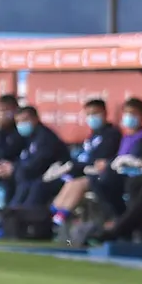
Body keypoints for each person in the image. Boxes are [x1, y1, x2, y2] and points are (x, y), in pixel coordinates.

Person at [49, 98, 126, 228]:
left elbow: (98, 159)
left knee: (79, 184)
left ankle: (59, 219)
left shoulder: (111, 134)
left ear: (104, 113)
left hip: (101, 176)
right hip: (84, 172)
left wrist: (79, 166)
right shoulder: (92, 136)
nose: (92, 117)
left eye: (95, 113)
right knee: (70, 183)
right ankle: (52, 215)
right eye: (89, 114)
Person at [8, 106, 70, 208]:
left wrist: (15, 168)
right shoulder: (28, 137)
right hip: (34, 175)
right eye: (18, 122)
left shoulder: (45, 137)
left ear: (36, 118)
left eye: (25, 120)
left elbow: (39, 163)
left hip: (55, 175)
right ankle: (10, 214)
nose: (21, 125)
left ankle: (21, 215)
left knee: (32, 183)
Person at [0, 94, 24, 207]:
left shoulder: (21, 131)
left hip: (16, 173)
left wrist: (13, 167)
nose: (1, 115)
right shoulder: (1, 131)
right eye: (0, 111)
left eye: (5, 111)